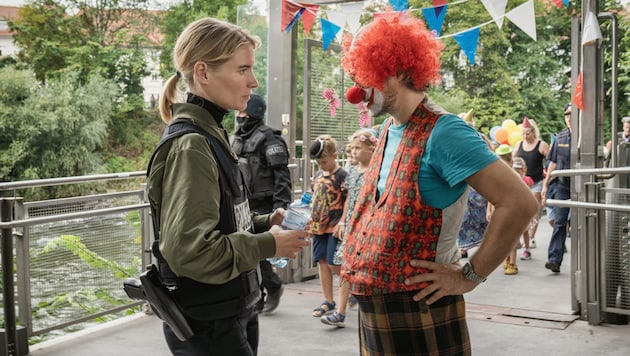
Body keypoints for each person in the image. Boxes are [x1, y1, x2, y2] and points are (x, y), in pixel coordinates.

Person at [338, 15, 538, 355]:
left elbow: (521, 204)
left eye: (366, 77)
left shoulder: (446, 132)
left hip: (419, 309)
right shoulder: (389, 129)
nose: (356, 92)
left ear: (400, 71)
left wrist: (467, 276)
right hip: (379, 310)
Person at [147, 17, 309, 355]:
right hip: (210, 324)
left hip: (229, 313)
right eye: (242, 69)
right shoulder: (192, 144)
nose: (253, 81)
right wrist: (268, 245)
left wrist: (265, 222)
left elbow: (220, 218)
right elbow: (191, 250)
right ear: (204, 73)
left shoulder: (210, 133)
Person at [231, 93, 293, 314]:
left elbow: (282, 177)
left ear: (255, 113)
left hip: (266, 206)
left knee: (258, 253)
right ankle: (255, 297)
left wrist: (281, 206)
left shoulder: (270, 139)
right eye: (238, 113)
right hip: (243, 205)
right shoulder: (237, 139)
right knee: (248, 252)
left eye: (243, 113)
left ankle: (272, 287)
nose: (239, 117)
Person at [321, 128, 377, 328]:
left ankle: (350, 310)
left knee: (363, 268)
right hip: (352, 225)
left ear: (372, 149)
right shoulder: (352, 171)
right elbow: (349, 199)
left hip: (370, 227)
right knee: (341, 266)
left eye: (358, 148)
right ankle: (341, 311)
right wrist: (343, 221)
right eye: (351, 149)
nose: (353, 152)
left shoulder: (377, 171)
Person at [308, 135, 348, 318]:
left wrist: (343, 221)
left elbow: (348, 199)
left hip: (334, 226)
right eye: (319, 162)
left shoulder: (342, 176)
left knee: (335, 264)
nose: (321, 165)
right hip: (318, 226)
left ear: (334, 156)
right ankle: (328, 300)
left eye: (324, 161)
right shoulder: (317, 176)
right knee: (322, 262)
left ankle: (346, 295)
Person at [456, 109, 494, 259]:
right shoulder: (457, 140)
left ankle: (484, 245)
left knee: (483, 215)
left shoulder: (481, 139)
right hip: (464, 182)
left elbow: (491, 157)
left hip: (479, 181)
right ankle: (463, 247)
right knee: (464, 216)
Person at [541, 103, 573, 273]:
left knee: (582, 223)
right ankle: (554, 260)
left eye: (572, 114)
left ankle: (586, 261)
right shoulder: (560, 138)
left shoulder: (587, 136)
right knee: (559, 223)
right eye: (566, 115)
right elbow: (552, 162)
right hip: (562, 185)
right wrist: (546, 185)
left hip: (581, 184)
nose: (569, 118)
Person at [513, 116, 550, 253]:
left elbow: (551, 161)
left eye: (527, 133)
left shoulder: (541, 145)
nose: (525, 136)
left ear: (534, 132)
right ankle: (522, 235)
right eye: (523, 133)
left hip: (537, 182)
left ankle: (531, 237)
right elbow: (511, 161)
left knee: (534, 209)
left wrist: (547, 178)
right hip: (521, 183)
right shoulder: (518, 145)